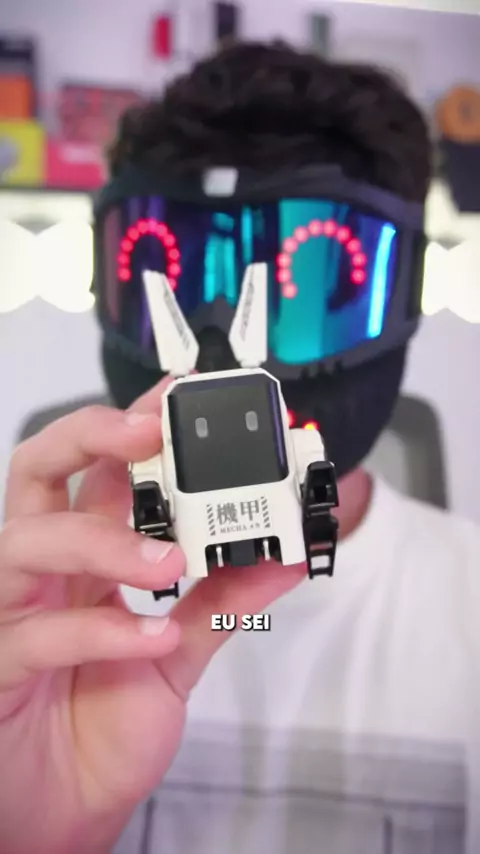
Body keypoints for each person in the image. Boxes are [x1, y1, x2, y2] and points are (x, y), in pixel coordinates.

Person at [1, 40, 480, 854]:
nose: (220, 351)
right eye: (167, 265)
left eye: (310, 285)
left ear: (405, 295)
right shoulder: (36, 618)